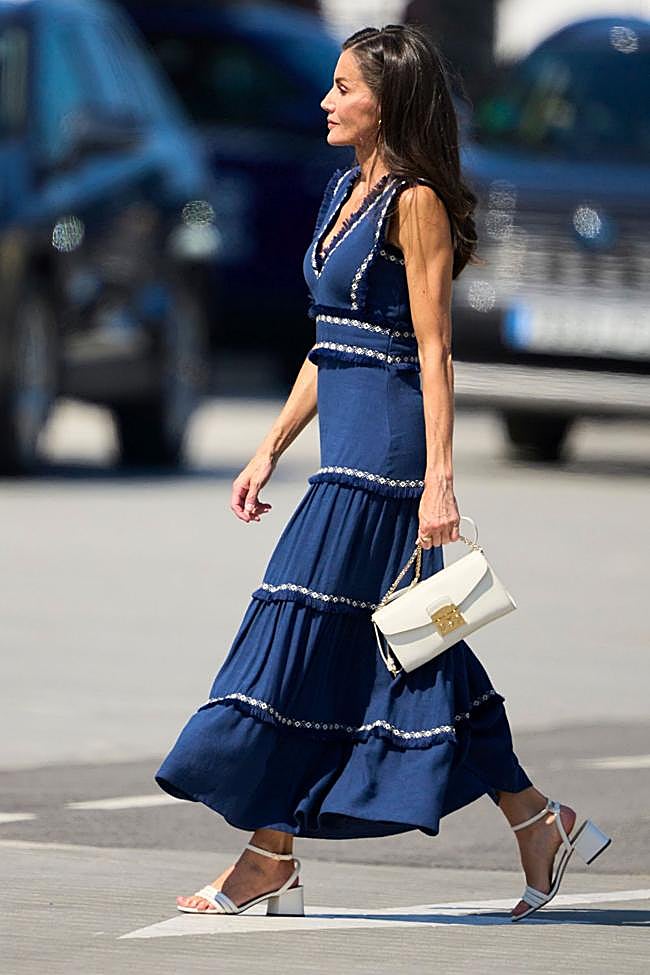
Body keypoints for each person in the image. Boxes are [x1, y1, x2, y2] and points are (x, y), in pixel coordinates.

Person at [154, 24, 611, 922]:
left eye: (342, 88)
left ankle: (266, 854)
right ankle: (534, 818)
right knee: (412, 648)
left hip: (390, 464)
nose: (326, 100)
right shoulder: (340, 189)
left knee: (317, 635)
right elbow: (330, 344)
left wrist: (441, 480)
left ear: (386, 101)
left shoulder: (418, 203)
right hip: (340, 457)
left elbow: (435, 352)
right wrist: (268, 446)